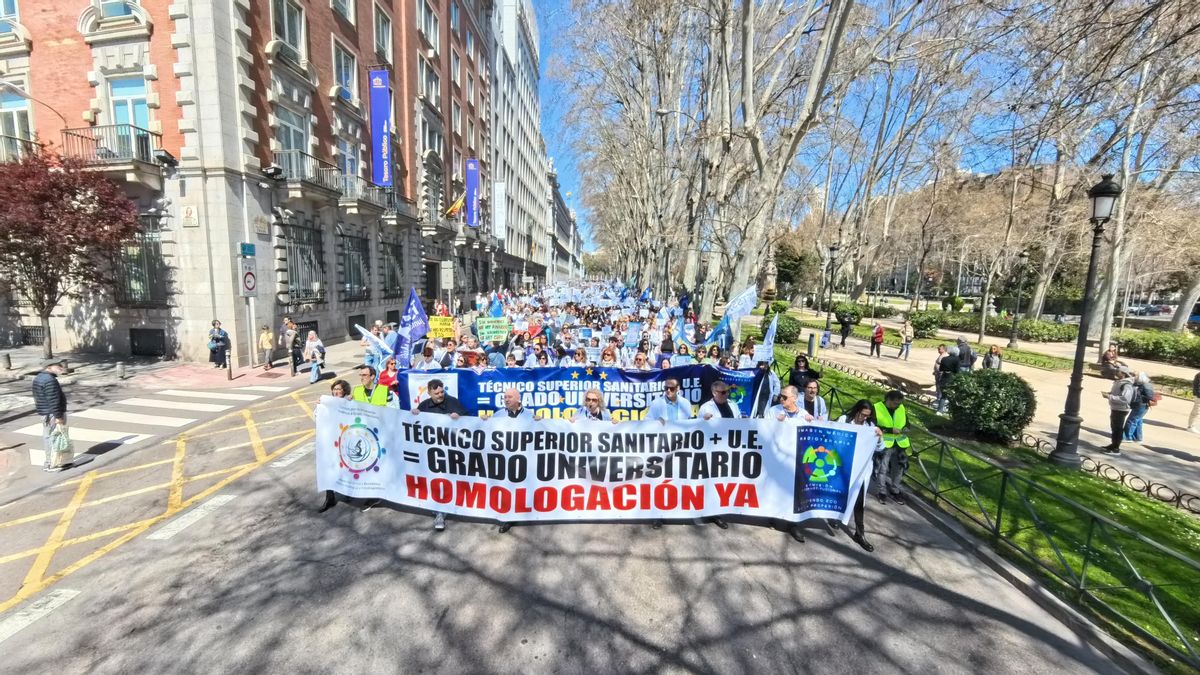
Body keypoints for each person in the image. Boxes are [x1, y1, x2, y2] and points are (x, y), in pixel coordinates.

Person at [414, 378, 468, 531]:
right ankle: (439, 512)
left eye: (442, 392)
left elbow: (469, 421)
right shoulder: (424, 406)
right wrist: (414, 415)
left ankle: (447, 507)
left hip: (451, 451)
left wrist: (460, 417)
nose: (440, 395)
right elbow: (415, 424)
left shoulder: (453, 402)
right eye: (436, 393)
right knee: (437, 480)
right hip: (432, 452)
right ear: (429, 392)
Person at [834, 399, 881, 552]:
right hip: (843, 466)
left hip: (861, 471)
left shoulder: (870, 427)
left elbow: (880, 448)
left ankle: (860, 534)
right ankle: (833, 516)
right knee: (837, 493)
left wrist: (879, 438)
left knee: (859, 501)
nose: (864, 418)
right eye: (863, 414)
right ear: (857, 411)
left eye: (868, 416)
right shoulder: (844, 420)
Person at [319, 380, 354, 512]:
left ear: (345, 391)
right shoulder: (326, 403)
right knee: (328, 467)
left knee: (346, 466)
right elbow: (317, 416)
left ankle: (349, 490)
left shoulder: (349, 402)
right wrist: (320, 406)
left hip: (345, 439)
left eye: (339, 389)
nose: (336, 391)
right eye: (334, 389)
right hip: (330, 440)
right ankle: (330, 497)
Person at [873, 390, 910, 505]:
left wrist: (906, 428)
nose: (898, 406)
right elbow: (873, 426)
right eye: (895, 403)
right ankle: (881, 491)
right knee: (882, 468)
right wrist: (889, 430)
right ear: (888, 399)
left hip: (899, 444)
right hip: (884, 443)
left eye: (899, 403)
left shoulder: (901, 408)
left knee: (899, 469)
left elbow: (907, 423)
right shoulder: (877, 408)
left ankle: (895, 490)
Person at [32, 361, 69, 472]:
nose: (61, 367)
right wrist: (58, 416)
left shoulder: (39, 377)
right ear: (49, 367)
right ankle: (51, 463)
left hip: (45, 412)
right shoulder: (49, 380)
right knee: (53, 437)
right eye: (58, 366)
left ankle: (56, 461)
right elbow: (53, 400)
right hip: (51, 413)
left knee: (50, 436)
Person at [1102, 371, 1137, 455]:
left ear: (1124, 374)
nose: (1116, 372)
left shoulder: (1127, 385)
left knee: (1118, 429)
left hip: (1121, 409)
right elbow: (1118, 394)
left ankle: (1116, 448)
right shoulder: (1119, 382)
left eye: (1118, 371)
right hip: (1115, 408)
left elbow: (1125, 399)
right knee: (1114, 428)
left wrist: (1110, 397)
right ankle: (1113, 444)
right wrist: (1110, 394)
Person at [1122, 372, 1154, 444]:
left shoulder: (1146, 385)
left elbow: (1150, 396)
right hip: (1140, 405)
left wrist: (1138, 396)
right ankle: (1137, 438)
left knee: (1131, 420)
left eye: (1136, 376)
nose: (1135, 378)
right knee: (1138, 421)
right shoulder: (1141, 384)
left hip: (1141, 405)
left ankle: (1127, 437)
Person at [936, 345, 960, 413]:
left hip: (944, 377)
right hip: (951, 377)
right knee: (951, 396)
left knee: (943, 396)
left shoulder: (944, 358)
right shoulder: (957, 359)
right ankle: (951, 410)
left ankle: (939, 410)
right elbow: (957, 371)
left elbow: (941, 368)